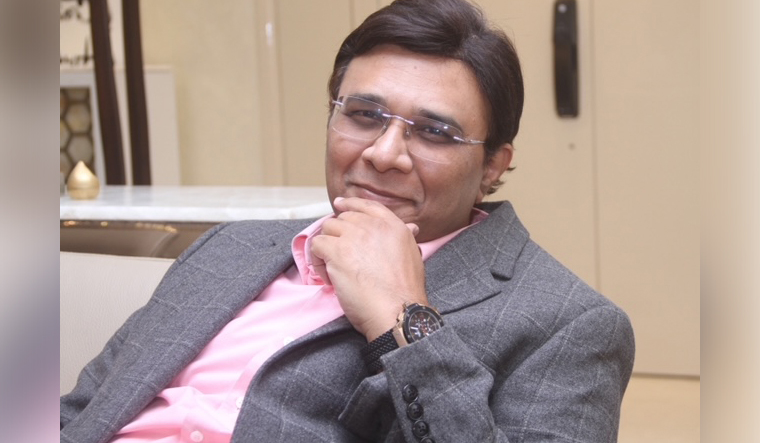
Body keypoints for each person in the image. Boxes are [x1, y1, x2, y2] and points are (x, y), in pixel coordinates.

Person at [61, 0, 634, 441]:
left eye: (434, 132)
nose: (384, 154)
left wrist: (404, 318)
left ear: (492, 166)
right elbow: (82, 409)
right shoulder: (229, 248)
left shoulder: (569, 324)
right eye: (363, 115)